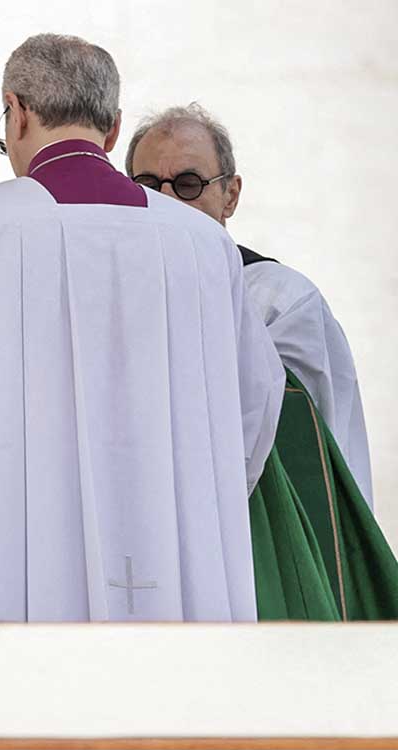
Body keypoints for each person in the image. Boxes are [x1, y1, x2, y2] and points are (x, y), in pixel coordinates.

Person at [0, 33, 284, 622]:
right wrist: (192, 478)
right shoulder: (203, 244)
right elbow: (255, 397)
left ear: (18, 111)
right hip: (176, 530)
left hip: (14, 526)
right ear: (112, 129)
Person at [126, 104, 397, 620]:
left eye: (187, 183)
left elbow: (308, 441)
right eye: (146, 183)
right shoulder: (104, 293)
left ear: (230, 194)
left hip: (259, 540)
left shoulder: (280, 299)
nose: (165, 200)